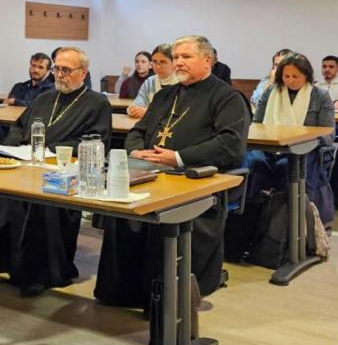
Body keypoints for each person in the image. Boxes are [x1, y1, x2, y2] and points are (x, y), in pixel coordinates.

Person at [0, 47, 111, 297]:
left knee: (39, 203)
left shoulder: (97, 103)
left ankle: (35, 274)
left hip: (61, 171)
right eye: (57, 69)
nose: (59, 75)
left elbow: (96, 142)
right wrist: (10, 148)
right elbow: (19, 127)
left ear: (83, 72)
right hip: (24, 164)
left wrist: (48, 151)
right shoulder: (44, 98)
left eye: (66, 70)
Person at [95, 35, 249, 307]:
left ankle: (160, 300)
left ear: (207, 61)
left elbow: (231, 145)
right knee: (121, 209)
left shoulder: (227, 97)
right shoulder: (165, 95)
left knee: (160, 215)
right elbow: (138, 131)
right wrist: (136, 151)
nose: (178, 62)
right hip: (149, 172)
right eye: (176, 57)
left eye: (186, 57)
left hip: (194, 180)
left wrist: (177, 158)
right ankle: (120, 292)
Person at [248, 53, 335, 222]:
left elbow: (328, 133)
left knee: (286, 167)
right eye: (286, 76)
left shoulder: (319, 95)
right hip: (270, 147)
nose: (290, 80)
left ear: (306, 76)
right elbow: (257, 124)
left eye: (296, 76)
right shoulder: (270, 93)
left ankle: (290, 221)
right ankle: (255, 219)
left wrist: (305, 139)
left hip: (305, 149)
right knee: (254, 163)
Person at [128, 44, 178, 119]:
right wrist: (133, 109)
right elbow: (137, 103)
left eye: (163, 62)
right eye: (155, 61)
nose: (158, 66)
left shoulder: (182, 82)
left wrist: (149, 113)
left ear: (173, 63)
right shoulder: (149, 82)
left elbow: (179, 112)